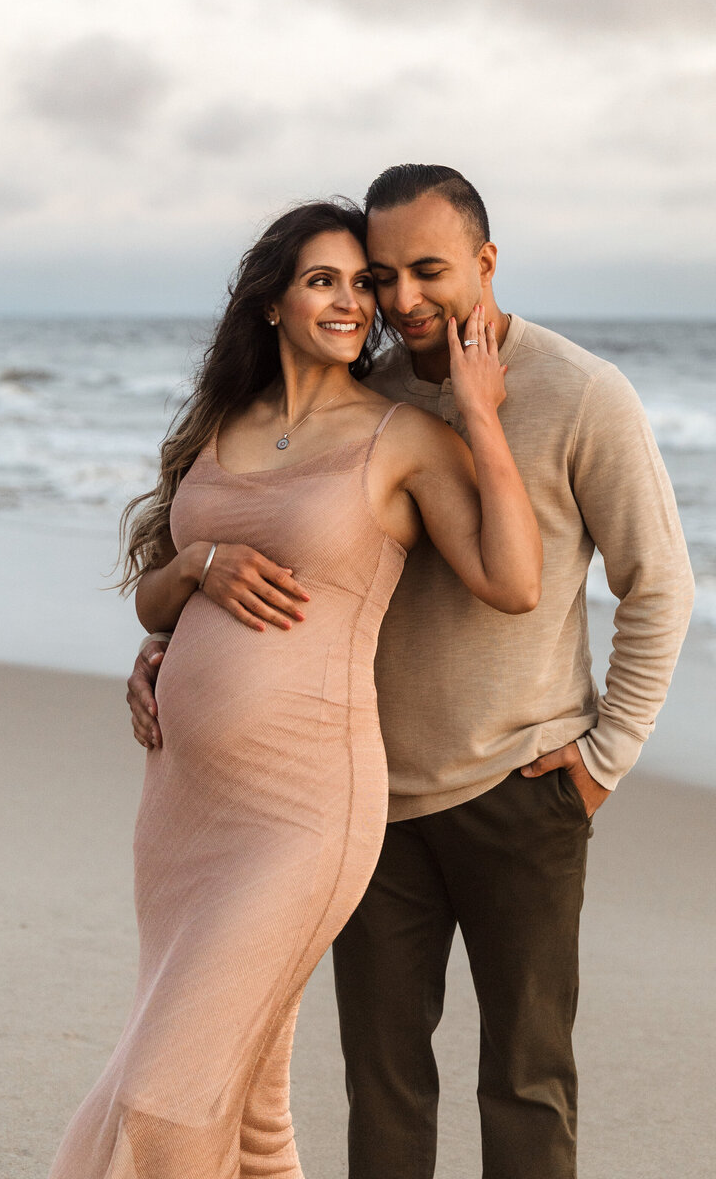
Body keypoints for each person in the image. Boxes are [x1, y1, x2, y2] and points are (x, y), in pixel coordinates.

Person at [129, 164, 695, 1179]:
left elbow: (658, 587)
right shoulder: (369, 384)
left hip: (520, 785)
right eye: (381, 276)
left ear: (485, 261)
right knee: (381, 1085)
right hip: (366, 795)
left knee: (524, 1082)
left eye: (427, 272)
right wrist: (174, 645)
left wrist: (605, 756)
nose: (398, 301)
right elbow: (308, 560)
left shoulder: (582, 394)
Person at [50, 198, 541, 1179]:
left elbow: (512, 580)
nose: (354, 301)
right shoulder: (222, 426)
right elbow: (156, 600)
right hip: (183, 809)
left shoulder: (398, 437)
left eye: (365, 284)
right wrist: (200, 568)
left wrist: (480, 419)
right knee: (251, 1106)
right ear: (272, 301)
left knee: (168, 1086)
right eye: (327, 280)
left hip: (303, 810)